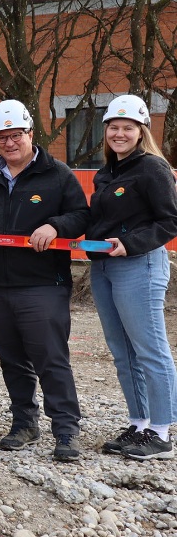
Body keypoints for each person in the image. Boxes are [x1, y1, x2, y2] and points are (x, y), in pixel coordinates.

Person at [0, 99, 89, 462]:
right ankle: (24, 422)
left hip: (42, 283)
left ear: (30, 134)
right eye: (2, 137)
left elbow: (82, 215)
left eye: (16, 134)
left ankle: (66, 430)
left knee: (51, 358)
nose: (9, 143)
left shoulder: (58, 175)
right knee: (11, 358)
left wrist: (56, 226)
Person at [86, 95, 177, 461]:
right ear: (105, 130)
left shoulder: (152, 168)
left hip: (139, 265)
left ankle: (162, 431)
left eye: (128, 128)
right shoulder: (106, 172)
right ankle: (139, 423)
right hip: (105, 267)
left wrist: (129, 243)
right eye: (113, 127)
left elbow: (170, 220)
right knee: (122, 351)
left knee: (151, 349)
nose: (119, 133)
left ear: (141, 132)